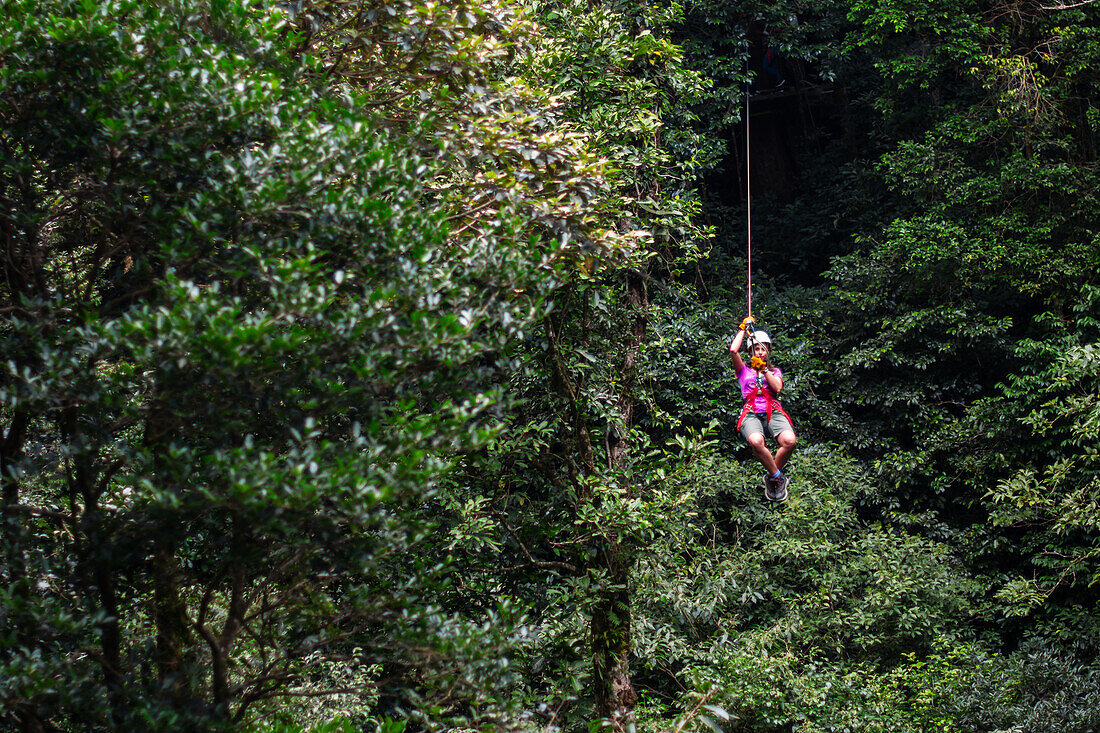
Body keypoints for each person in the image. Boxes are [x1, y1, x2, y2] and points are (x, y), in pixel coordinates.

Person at [729, 317, 797, 501]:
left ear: (767, 352)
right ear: (751, 351)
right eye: (756, 349)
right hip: (751, 412)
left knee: (790, 441)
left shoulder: (774, 372)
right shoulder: (743, 371)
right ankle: (777, 477)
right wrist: (743, 328)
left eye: (763, 349)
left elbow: (777, 388)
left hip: (772, 410)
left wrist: (765, 370)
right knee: (756, 441)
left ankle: (771, 476)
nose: (760, 352)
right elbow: (733, 350)